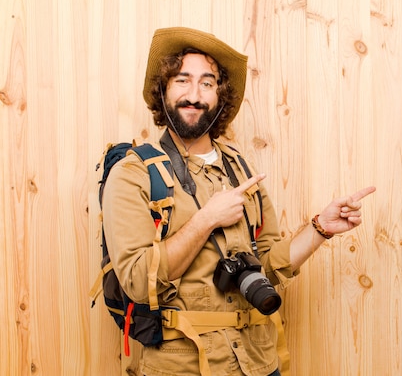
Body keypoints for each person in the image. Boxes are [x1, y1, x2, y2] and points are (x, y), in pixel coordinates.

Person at [102, 26, 376, 376]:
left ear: (220, 96)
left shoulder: (238, 168)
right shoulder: (133, 173)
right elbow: (140, 283)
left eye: (207, 82)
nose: (194, 94)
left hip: (258, 362)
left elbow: (268, 263)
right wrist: (206, 219)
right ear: (164, 91)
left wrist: (321, 228)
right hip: (184, 367)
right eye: (182, 80)